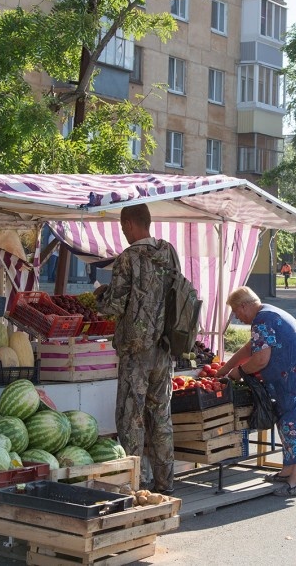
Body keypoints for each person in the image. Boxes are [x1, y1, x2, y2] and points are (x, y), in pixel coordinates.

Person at [96, 204, 180, 494]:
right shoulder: (168, 252)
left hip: (136, 350)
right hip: (165, 347)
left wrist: (100, 296)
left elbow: (115, 305)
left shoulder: (128, 258)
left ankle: (136, 484)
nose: (122, 231)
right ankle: (165, 482)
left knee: (131, 418)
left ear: (131, 223)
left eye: (122, 226)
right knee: (161, 416)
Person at [217, 286, 296, 497]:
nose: (236, 317)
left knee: (295, 424)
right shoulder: (267, 314)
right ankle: (287, 472)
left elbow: (261, 359)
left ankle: (295, 481)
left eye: (236, 311)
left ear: (244, 306)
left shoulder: (262, 320)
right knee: (287, 421)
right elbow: (250, 349)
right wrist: (223, 370)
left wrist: (237, 373)